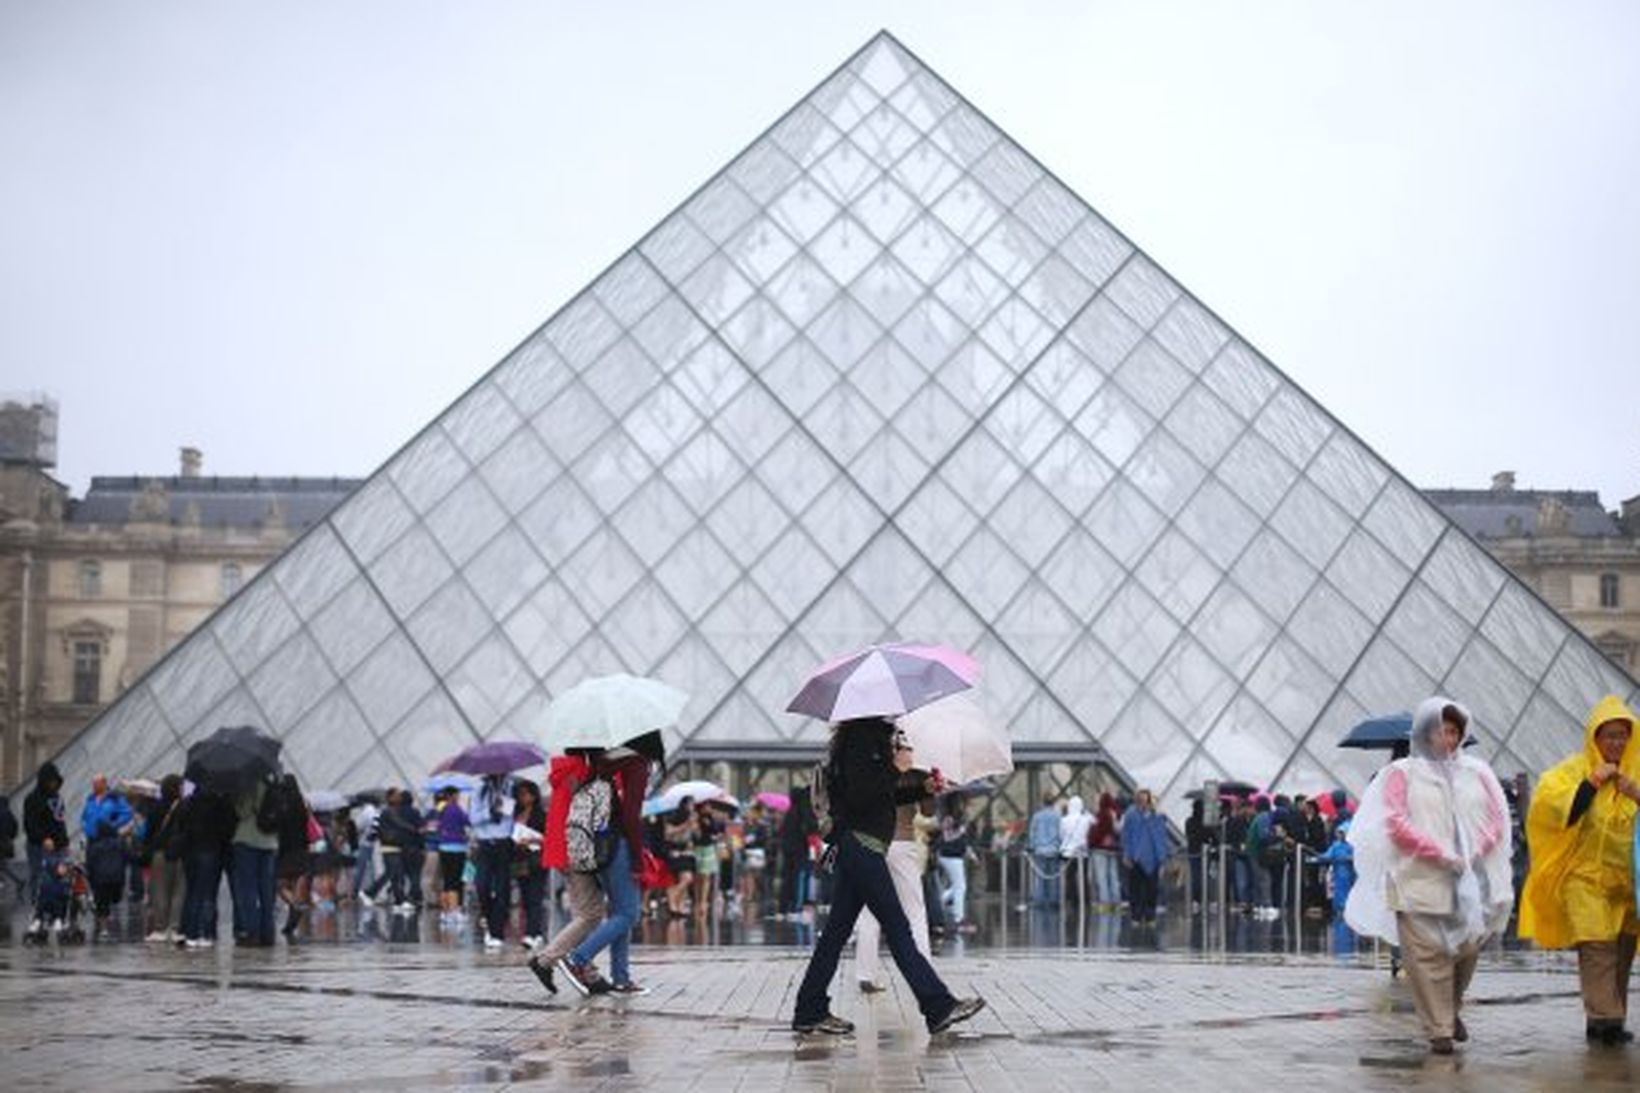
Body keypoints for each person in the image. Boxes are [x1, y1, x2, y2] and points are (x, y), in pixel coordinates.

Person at [790, 716, 985, 1037]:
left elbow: (880, 796)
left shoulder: (867, 740)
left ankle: (809, 1009)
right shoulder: (861, 742)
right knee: (897, 928)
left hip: (860, 847)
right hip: (862, 846)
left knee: (837, 933)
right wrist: (896, 767)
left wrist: (920, 788)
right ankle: (937, 1006)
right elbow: (859, 799)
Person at [1345, 697, 1513, 1055]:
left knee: (1467, 950)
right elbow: (1394, 821)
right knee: (1426, 957)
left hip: (1467, 880)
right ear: (1425, 733)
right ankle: (1439, 1029)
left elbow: (1497, 820)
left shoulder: (1477, 774)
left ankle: (1450, 1010)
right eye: (1440, 731)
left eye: (1454, 731)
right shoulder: (1401, 774)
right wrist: (1438, 853)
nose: (1448, 739)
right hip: (1416, 879)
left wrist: (1475, 851)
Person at [1518, 694, 1640, 1046]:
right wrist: (1592, 783)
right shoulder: (1571, 771)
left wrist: (1635, 793)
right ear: (1594, 738)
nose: (1617, 743)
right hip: (1584, 878)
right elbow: (1556, 814)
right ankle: (1607, 1021)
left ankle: (1605, 1017)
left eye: (1623, 735)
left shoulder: (1635, 772)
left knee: (1622, 951)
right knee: (1597, 946)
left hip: (1627, 883)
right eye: (1610, 735)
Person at [556, 743, 653, 996]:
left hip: (598, 849)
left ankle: (621, 980)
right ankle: (578, 958)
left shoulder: (601, 764)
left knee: (620, 913)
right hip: (617, 847)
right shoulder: (636, 764)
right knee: (629, 915)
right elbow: (631, 816)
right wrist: (637, 859)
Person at [855, 742, 940, 993]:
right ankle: (924, 970)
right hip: (902, 842)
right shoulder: (917, 767)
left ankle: (866, 973)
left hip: (874, 841)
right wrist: (930, 787)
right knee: (914, 909)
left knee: (870, 910)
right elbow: (928, 812)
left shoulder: (874, 762)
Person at [529, 755, 607, 993]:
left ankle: (589, 973)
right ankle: (545, 960)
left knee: (583, 913)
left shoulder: (564, 774)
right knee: (591, 914)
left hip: (563, 849)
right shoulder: (581, 773)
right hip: (576, 849)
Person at [177, 786, 235, 948]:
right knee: (208, 894)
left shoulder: (187, 803)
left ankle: (189, 932)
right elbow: (228, 829)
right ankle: (206, 932)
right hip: (211, 851)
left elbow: (180, 826)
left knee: (192, 892)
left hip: (189, 852)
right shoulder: (220, 804)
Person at [231, 774, 281, 947]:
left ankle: (252, 932)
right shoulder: (275, 783)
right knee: (267, 890)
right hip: (270, 842)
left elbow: (242, 812)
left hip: (248, 839)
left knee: (248, 889)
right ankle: (269, 934)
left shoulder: (248, 783)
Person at [80, 773, 134, 932]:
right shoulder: (90, 799)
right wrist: (85, 826)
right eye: (93, 783)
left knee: (112, 872)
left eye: (97, 783)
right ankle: (100, 904)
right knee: (94, 874)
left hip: (110, 840)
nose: (94, 786)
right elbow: (84, 816)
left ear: (104, 783)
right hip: (93, 841)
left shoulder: (114, 798)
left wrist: (113, 824)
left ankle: (110, 898)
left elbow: (127, 813)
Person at [472, 773, 516, 950]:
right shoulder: (480, 791)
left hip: (504, 843)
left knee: (502, 889)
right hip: (484, 844)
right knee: (481, 885)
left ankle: (497, 932)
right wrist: (489, 811)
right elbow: (473, 818)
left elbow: (516, 813)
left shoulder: (512, 788)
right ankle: (490, 921)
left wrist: (505, 807)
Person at [142, 775, 187, 941]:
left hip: (160, 852)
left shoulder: (156, 807)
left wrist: (147, 849)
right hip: (181, 853)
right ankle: (175, 928)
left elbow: (149, 832)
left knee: (159, 891)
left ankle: (160, 929)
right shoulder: (185, 806)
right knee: (179, 891)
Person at [1121, 789, 1168, 926]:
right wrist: (1127, 854)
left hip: (1153, 858)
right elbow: (1126, 836)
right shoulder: (1131, 815)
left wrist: (1162, 859)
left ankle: (1150, 915)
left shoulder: (1157, 817)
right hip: (1135, 857)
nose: (1144, 803)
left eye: (1146, 800)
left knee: (1151, 889)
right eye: (1141, 800)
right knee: (1135, 888)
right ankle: (1136, 915)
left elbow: (1161, 838)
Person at [23, 762, 68, 905]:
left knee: (58, 876)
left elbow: (60, 821)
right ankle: (38, 908)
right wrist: (43, 838)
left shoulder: (57, 798)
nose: (53, 784)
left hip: (58, 844)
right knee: (39, 876)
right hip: (38, 846)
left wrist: (64, 841)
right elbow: (29, 824)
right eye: (51, 781)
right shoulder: (32, 799)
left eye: (55, 781)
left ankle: (56, 909)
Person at [512, 779, 548, 949]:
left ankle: (531, 933)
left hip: (536, 859)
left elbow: (549, 839)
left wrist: (533, 839)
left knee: (535, 896)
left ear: (533, 796)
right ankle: (536, 932)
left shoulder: (541, 815)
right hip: (520, 860)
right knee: (525, 897)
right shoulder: (515, 815)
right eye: (519, 795)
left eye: (525, 794)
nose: (522, 798)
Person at [936, 796, 973, 933]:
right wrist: (961, 830)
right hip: (951, 856)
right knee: (960, 887)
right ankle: (959, 918)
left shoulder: (953, 818)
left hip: (951, 856)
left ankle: (939, 900)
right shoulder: (951, 819)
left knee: (958, 886)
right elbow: (948, 837)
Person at [434, 788, 471, 923]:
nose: (459, 797)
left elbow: (437, 826)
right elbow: (468, 822)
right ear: (453, 796)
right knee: (456, 880)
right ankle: (455, 912)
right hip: (458, 848)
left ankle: (445, 912)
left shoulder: (440, 808)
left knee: (447, 879)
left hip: (443, 847)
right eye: (458, 795)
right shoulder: (456, 808)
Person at [1087, 792, 1122, 911]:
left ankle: (1105, 903)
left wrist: (1091, 843)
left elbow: (1096, 832)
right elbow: (1118, 831)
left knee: (1102, 877)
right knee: (1113, 876)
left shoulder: (1100, 815)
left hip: (1100, 849)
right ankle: (1116, 903)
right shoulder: (1116, 814)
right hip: (1113, 849)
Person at [1027, 793, 1062, 908]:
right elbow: (1061, 833)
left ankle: (1040, 901)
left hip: (1040, 850)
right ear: (1053, 803)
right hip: (1054, 850)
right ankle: (1053, 900)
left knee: (1040, 878)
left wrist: (1032, 847)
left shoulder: (1037, 816)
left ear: (1043, 802)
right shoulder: (1057, 816)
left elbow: (1032, 834)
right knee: (1053, 877)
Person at [0, 794, 25, 900]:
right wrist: (10, 838)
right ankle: (18, 881)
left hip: (1, 843)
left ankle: (15, 881)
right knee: (3, 866)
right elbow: (15, 828)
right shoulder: (9, 814)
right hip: (7, 843)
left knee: (3, 866)